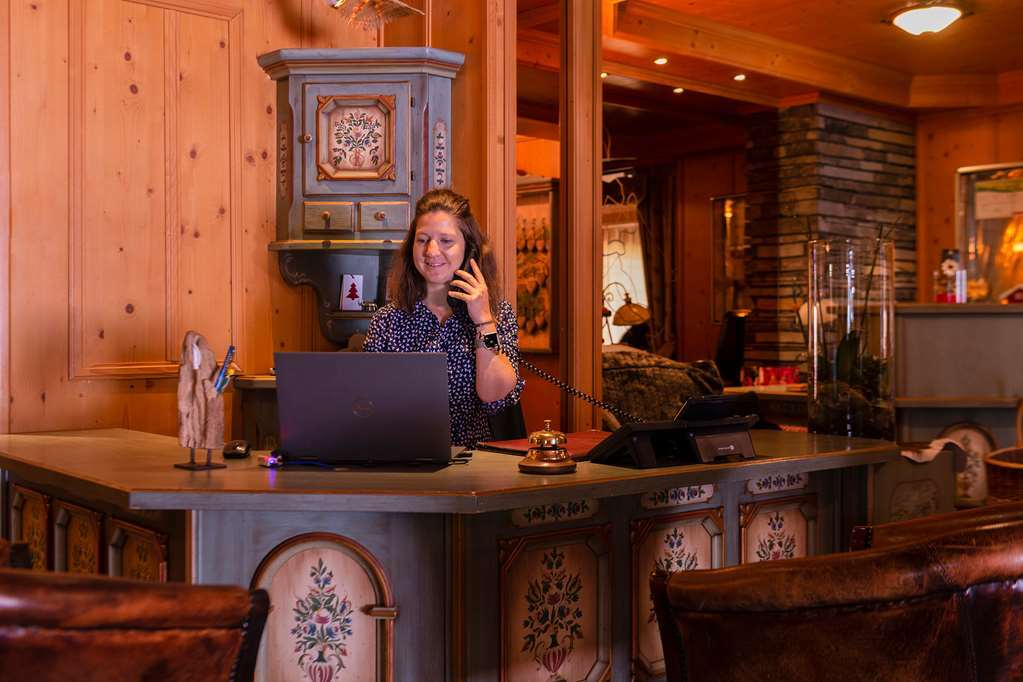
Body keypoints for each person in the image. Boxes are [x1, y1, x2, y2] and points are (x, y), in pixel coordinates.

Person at [363, 189, 524, 447]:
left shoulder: (497, 313)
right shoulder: (387, 321)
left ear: (469, 248)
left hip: (474, 465)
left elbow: (496, 396)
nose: (432, 251)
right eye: (422, 239)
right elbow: (366, 404)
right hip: (404, 462)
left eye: (446, 241)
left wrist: (483, 319)